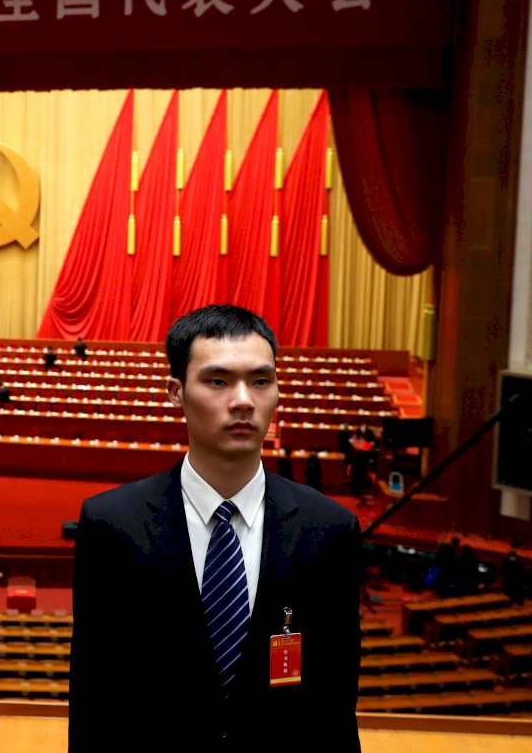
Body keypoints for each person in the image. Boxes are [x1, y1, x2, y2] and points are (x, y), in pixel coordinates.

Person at [70, 305, 362, 751]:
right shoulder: (111, 523)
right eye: (218, 381)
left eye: (260, 381)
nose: (243, 400)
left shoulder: (331, 529)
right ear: (176, 392)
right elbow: (95, 693)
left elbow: (335, 702)